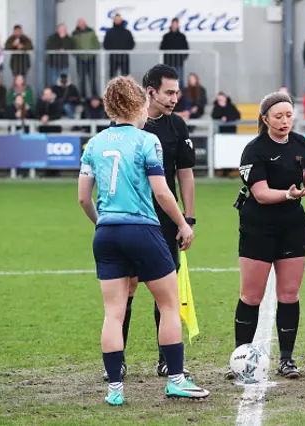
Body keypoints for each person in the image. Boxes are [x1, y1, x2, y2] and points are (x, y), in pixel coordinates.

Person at [78, 75, 209, 405]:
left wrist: (102, 224)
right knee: (167, 304)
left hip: (106, 233)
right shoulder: (147, 140)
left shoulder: (94, 143)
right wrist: (183, 223)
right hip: (143, 230)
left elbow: (82, 198)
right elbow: (162, 191)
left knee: (113, 313)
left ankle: (115, 390)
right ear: (139, 103)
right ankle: (176, 379)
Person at [228, 91, 305, 379]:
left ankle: (287, 360)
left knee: (289, 293)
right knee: (251, 295)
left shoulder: (303, 145)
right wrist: (289, 193)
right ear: (265, 119)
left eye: (288, 115)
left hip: (293, 226)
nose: (285, 121)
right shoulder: (254, 150)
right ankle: (241, 358)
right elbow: (260, 194)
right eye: (278, 116)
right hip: (258, 227)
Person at [111, 65, 197, 380]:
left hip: (166, 221)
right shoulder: (126, 126)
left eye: (177, 92)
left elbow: (185, 175)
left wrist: (188, 218)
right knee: (127, 288)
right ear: (150, 92)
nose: (175, 98)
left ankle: (166, 360)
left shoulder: (178, 127)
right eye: (169, 92)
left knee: (167, 291)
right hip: (132, 218)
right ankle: (116, 360)